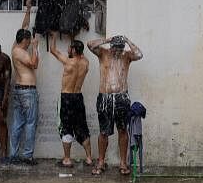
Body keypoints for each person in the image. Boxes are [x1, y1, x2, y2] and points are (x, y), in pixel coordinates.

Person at [87, 35, 143, 175]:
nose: (116, 52)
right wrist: (107, 40)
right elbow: (89, 45)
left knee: (123, 130)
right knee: (103, 132)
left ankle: (123, 163)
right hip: (105, 98)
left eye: (119, 49)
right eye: (114, 48)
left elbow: (139, 54)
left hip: (121, 98)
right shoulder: (103, 53)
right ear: (111, 47)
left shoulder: (127, 56)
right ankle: (101, 161)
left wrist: (128, 41)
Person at [50, 32, 93, 168]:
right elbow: (80, 53)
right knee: (82, 127)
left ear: (73, 50)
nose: (68, 49)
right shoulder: (85, 62)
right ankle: (89, 158)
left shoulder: (68, 62)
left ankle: (67, 159)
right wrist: (73, 40)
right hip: (78, 97)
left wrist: (54, 37)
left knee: (66, 127)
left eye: (69, 48)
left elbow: (53, 50)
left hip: (67, 97)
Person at [9, 0, 40, 165]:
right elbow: (34, 64)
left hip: (19, 90)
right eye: (29, 41)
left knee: (17, 123)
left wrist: (28, 9)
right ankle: (27, 156)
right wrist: (35, 47)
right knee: (30, 123)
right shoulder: (22, 52)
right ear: (25, 40)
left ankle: (13, 155)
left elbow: (24, 27)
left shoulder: (15, 47)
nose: (29, 43)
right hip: (27, 91)